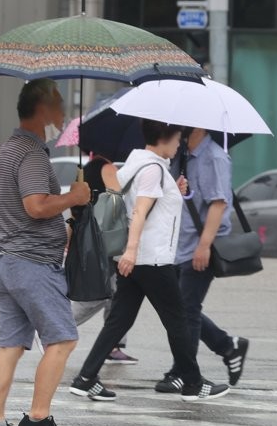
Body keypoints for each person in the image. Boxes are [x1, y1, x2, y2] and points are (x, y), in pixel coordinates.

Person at [69, 120, 230, 403]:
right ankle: (192, 382)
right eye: (178, 137)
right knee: (178, 320)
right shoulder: (154, 169)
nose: (180, 142)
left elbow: (140, 204)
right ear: (165, 137)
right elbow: (140, 212)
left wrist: (173, 192)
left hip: (135, 260)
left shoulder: (137, 162)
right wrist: (131, 251)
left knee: (119, 321)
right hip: (151, 259)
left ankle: (86, 378)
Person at [0, 79, 91, 426]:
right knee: (63, 339)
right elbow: (35, 206)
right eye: (58, 102)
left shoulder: (9, 148)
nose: (62, 110)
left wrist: (65, 227)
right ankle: (37, 419)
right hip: (32, 266)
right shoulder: (30, 153)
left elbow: (33, 211)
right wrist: (73, 196)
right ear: (42, 107)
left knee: (10, 346)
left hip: (8, 262)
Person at [154, 128, 249, 394]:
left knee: (186, 309)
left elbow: (218, 204)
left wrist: (204, 246)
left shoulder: (215, 157)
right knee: (181, 308)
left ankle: (182, 372)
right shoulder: (182, 154)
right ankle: (228, 346)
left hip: (201, 246)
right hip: (177, 244)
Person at [68, 152, 136, 365]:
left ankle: (114, 345)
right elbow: (118, 199)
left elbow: (76, 208)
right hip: (104, 238)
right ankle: (55, 327)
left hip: (87, 235)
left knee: (116, 291)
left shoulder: (84, 171)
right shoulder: (106, 168)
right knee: (105, 291)